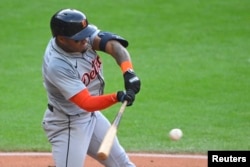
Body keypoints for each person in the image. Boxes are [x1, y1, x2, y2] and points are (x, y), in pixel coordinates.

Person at [41, 8, 141, 167]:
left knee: (122, 164)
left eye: (85, 35)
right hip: (67, 123)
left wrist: (128, 71)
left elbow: (113, 45)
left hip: (90, 116)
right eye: (78, 39)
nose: (85, 40)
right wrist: (117, 96)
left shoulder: (80, 36)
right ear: (61, 39)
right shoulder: (58, 65)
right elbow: (86, 102)